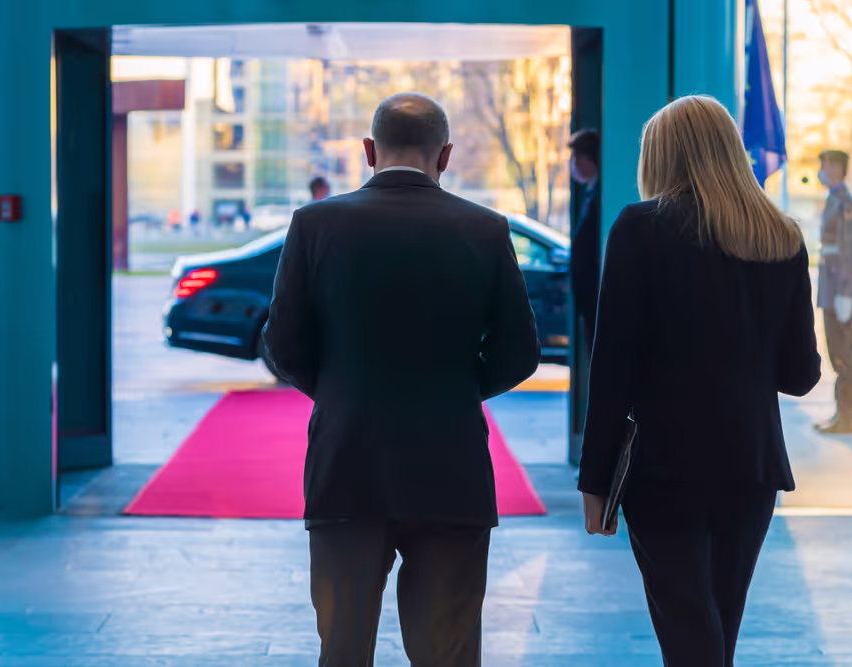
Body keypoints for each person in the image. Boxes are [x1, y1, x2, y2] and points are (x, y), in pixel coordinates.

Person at [262, 92, 541, 667]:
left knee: (343, 650)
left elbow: (283, 344)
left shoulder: (315, 224)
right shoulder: (486, 229)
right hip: (452, 468)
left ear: (369, 151)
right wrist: (456, 391)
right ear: (446, 156)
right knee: (449, 653)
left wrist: (343, 390)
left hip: (348, 463)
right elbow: (520, 354)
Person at [577, 95, 821, 667]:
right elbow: (801, 374)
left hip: (666, 467)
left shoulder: (640, 228)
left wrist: (595, 481)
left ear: (663, 157)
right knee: (716, 625)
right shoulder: (781, 236)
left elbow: (612, 366)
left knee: (688, 629)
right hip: (752, 466)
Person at [814, 149, 852, 435]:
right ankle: (842, 413)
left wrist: (846, 291)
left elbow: (850, 250)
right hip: (833, 286)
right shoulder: (834, 199)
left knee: (844, 349)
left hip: (841, 288)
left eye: (824, 164)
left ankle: (847, 415)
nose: (821, 170)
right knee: (837, 349)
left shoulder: (846, 203)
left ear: (836, 168)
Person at [569, 128, 601, 330]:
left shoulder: (601, 198)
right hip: (588, 300)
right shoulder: (591, 194)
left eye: (576, 157)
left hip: (595, 296)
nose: (573, 163)